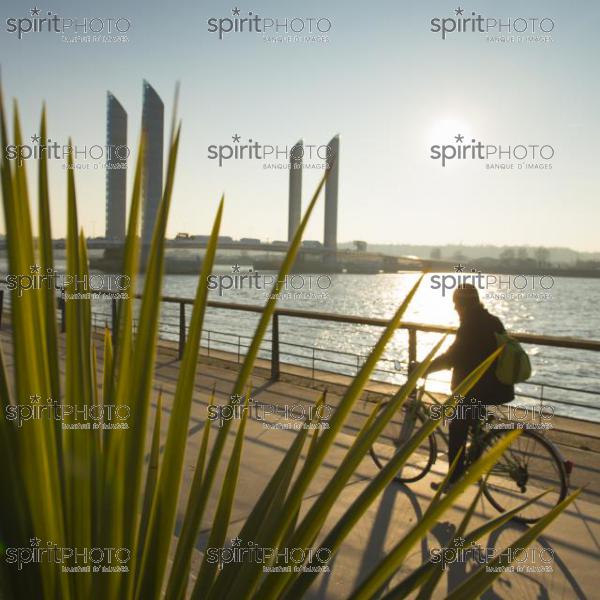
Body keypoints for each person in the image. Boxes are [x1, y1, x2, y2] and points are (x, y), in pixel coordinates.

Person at [423, 284, 514, 491]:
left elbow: (453, 356)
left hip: (477, 390)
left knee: (457, 428)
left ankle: (453, 481)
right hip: (498, 388)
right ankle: (473, 468)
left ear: (462, 304)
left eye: (456, 304)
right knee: (475, 428)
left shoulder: (470, 325)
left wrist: (424, 369)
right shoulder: (493, 321)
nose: (455, 309)